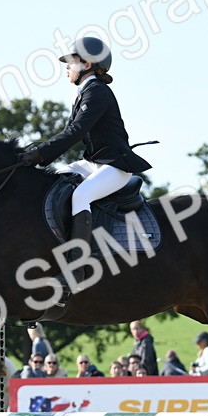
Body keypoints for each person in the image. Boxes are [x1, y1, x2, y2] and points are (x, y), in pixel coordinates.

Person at [17, 37, 152, 280]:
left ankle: (77, 268)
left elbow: (75, 132)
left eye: (71, 61)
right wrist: (34, 152)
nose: (67, 66)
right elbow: (68, 132)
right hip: (93, 163)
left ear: (87, 64)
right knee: (52, 183)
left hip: (115, 166)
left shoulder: (98, 92)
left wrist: (40, 154)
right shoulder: (83, 92)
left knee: (81, 195)